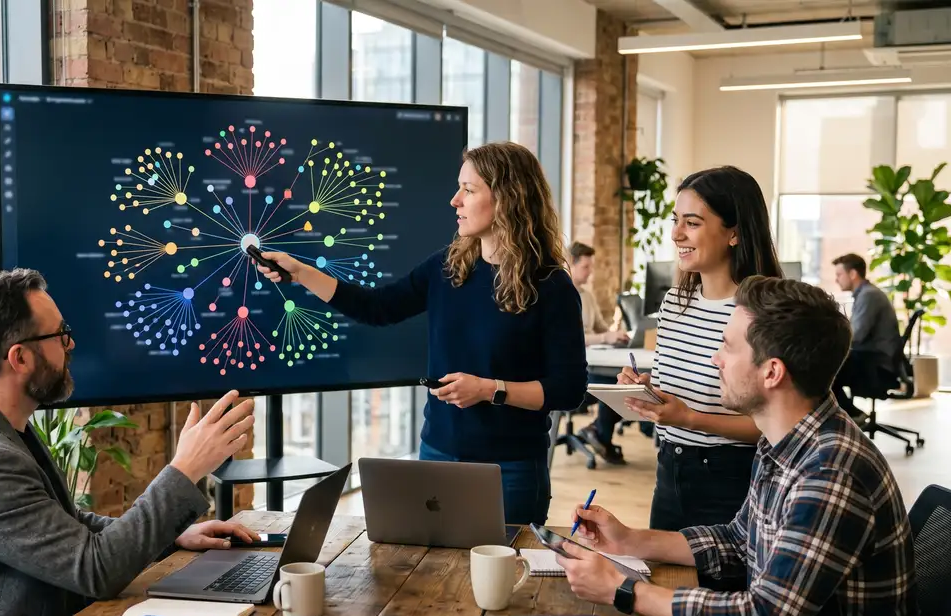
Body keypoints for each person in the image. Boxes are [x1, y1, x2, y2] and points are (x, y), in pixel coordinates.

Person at [558, 276, 917, 616]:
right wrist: (630, 540)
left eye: (728, 346)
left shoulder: (831, 473)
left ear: (772, 373)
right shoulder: (784, 438)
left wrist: (623, 590)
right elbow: (740, 540)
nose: (716, 358)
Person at [0, 268, 258, 616]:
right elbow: (96, 570)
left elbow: (64, 526)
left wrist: (175, 536)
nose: (70, 343)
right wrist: (185, 468)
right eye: (58, 334)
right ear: (20, 358)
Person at [257, 141, 587, 525]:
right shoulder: (448, 267)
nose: (454, 201)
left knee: (503, 582)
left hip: (509, 470)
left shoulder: (552, 287)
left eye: (468, 189)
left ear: (508, 198)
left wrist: (488, 389)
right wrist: (300, 272)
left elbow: (568, 389)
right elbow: (377, 308)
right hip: (437, 455)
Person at [617, 166, 783, 547]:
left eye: (691, 223)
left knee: (717, 590)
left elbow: (775, 424)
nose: (676, 234)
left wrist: (690, 418)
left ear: (734, 232)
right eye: (676, 221)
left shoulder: (759, 313)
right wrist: (646, 390)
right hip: (669, 470)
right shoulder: (675, 302)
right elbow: (673, 391)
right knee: (664, 580)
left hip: (730, 482)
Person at [567, 241, 629, 463]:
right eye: (585, 267)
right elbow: (571, 339)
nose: (589, 273)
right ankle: (600, 434)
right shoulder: (562, 295)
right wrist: (605, 338)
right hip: (574, 371)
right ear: (570, 265)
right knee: (616, 384)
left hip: (592, 362)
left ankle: (599, 433)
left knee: (624, 383)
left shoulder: (587, 295)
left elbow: (601, 327)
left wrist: (618, 334)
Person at [831, 252, 901, 423]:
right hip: (872, 359)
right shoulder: (866, 294)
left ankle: (850, 413)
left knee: (826, 365)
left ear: (853, 274)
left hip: (876, 365)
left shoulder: (869, 296)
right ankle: (849, 411)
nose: (836, 279)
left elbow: (856, 335)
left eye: (839, 274)